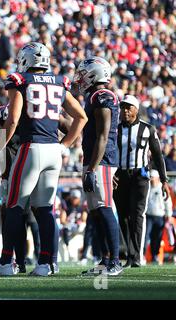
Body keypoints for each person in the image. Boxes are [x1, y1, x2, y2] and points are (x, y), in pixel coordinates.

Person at [0, 42, 87, 277]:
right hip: (53, 150)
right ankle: (47, 263)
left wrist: (1, 145)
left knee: (13, 206)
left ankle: (7, 262)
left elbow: (13, 119)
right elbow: (81, 117)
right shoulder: (60, 82)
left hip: (31, 147)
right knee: (45, 209)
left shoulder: (21, 81)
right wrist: (65, 146)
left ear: (25, 61)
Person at [74, 56, 122, 276]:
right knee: (95, 212)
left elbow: (103, 136)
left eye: (84, 74)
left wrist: (93, 167)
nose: (81, 78)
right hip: (95, 159)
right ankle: (104, 260)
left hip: (100, 160)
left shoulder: (102, 95)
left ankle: (115, 261)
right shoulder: (94, 96)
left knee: (103, 207)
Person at [113, 95, 171, 268]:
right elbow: (108, 153)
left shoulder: (148, 129)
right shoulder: (114, 130)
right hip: (120, 176)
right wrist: (110, 174)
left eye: (128, 107)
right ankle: (129, 253)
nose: (125, 111)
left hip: (140, 176)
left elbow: (158, 155)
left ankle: (137, 256)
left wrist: (164, 180)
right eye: (123, 107)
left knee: (137, 215)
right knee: (123, 216)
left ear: (136, 110)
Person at [144, 170, 173, 264]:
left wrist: (168, 215)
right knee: (145, 237)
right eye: (150, 177)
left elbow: (168, 202)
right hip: (148, 216)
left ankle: (154, 256)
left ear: (157, 178)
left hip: (160, 216)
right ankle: (142, 256)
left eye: (153, 177)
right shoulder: (147, 187)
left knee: (157, 238)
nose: (151, 179)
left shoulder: (162, 188)